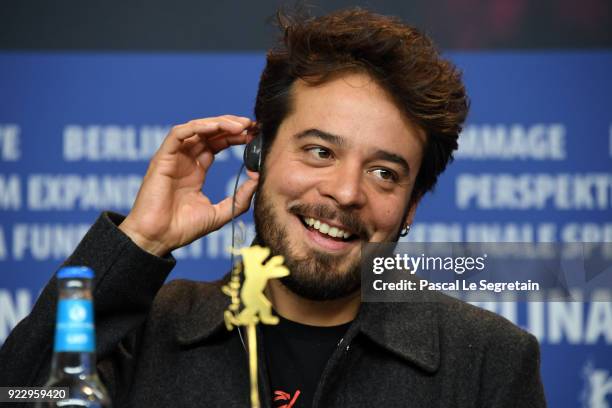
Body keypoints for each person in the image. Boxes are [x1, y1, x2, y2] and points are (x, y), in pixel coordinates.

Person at [0, 7, 546, 408]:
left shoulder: (488, 360)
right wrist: (138, 244)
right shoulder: (146, 333)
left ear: (410, 208)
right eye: (320, 151)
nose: (346, 191)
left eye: (384, 172)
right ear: (257, 156)